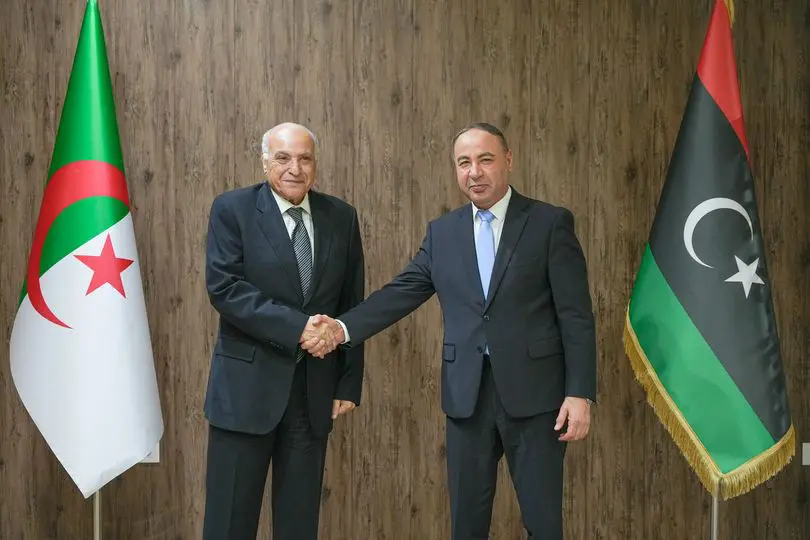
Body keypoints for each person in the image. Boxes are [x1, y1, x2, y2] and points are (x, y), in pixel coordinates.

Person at [307, 122, 596, 540]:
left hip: (537, 398)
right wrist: (340, 328)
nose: (474, 172)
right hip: (467, 399)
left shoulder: (549, 223)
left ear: (508, 160)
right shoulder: (442, 233)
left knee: (544, 524)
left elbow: (576, 315)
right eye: (464, 163)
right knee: (466, 525)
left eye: (485, 159)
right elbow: (400, 293)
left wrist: (579, 392)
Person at [201, 122, 365, 540]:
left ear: (315, 164)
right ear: (264, 162)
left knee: (299, 525)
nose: (295, 168)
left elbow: (351, 303)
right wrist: (298, 327)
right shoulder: (233, 209)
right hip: (245, 393)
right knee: (228, 523)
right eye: (283, 158)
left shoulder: (341, 217)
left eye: (305, 158)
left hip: (313, 393)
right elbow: (225, 288)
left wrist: (348, 381)